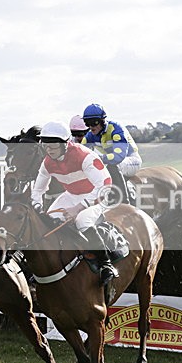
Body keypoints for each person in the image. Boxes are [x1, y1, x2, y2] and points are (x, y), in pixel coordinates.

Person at [31, 121, 119, 284]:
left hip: (97, 196)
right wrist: (37, 206)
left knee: (82, 220)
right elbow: (37, 190)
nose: (49, 150)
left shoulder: (84, 155)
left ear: (65, 144)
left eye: (53, 146)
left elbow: (105, 185)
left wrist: (78, 208)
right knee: (48, 221)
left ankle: (106, 264)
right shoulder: (47, 162)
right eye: (46, 146)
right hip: (71, 194)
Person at [81, 103, 141, 204]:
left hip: (130, 160)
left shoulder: (116, 129)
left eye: (94, 122)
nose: (91, 127)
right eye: (87, 123)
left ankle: (124, 202)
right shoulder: (90, 135)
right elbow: (79, 152)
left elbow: (118, 156)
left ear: (102, 121)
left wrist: (98, 158)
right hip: (110, 160)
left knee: (112, 165)